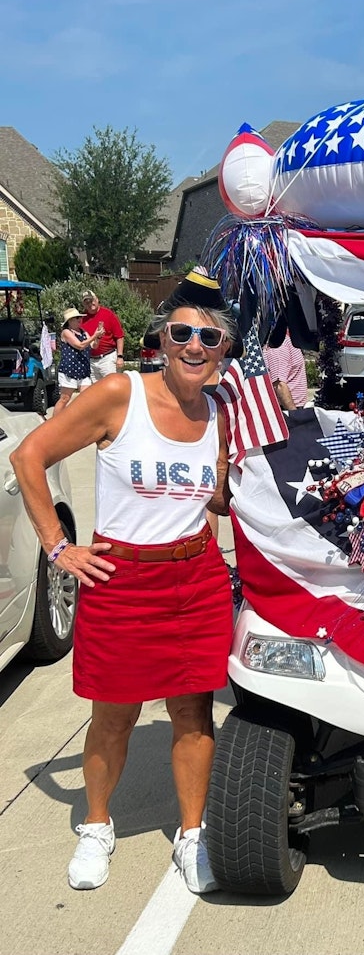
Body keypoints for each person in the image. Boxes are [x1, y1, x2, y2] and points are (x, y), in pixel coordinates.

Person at [10, 269, 236, 893]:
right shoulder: (119, 394)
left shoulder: (222, 411)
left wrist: (228, 487)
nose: (195, 345)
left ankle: (192, 835)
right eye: (183, 332)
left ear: (223, 349)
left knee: (193, 713)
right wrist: (59, 548)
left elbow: (213, 502)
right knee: (114, 715)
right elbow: (29, 456)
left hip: (196, 579)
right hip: (122, 579)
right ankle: (98, 825)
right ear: (162, 339)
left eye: (210, 337)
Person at [54, 307, 102, 416]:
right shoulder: (66, 332)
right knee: (65, 398)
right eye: (77, 318)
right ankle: (54, 422)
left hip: (83, 369)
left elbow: (93, 345)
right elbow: (79, 345)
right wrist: (95, 335)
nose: (80, 320)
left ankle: (82, 421)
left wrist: (97, 337)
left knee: (86, 397)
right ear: (70, 321)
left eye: (80, 317)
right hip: (69, 369)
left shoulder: (83, 332)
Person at [79, 290, 125, 380]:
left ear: (96, 299)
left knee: (112, 387)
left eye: (91, 301)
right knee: (96, 391)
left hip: (107, 358)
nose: (90, 304)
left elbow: (119, 336)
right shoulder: (82, 319)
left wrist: (120, 356)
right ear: (84, 305)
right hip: (91, 360)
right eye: (86, 302)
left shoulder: (108, 314)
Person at [262, 329, 309, 410]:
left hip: (293, 407)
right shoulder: (280, 343)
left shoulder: (290, 341)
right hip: (287, 409)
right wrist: (295, 415)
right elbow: (279, 385)